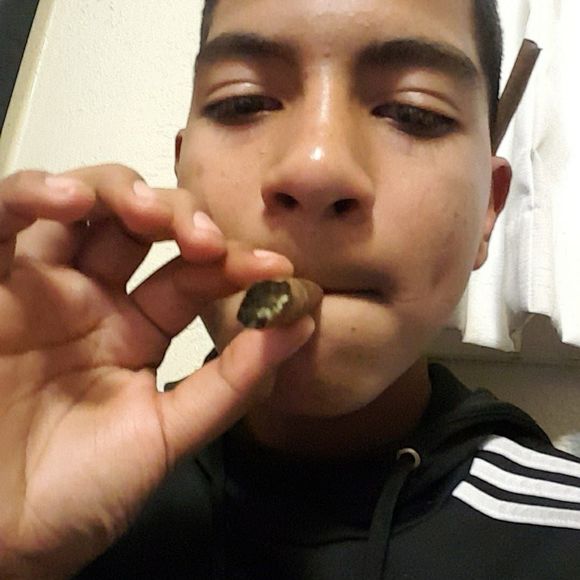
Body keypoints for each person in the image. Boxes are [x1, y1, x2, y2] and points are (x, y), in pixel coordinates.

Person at [1, 0, 579, 578]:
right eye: (243, 102)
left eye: (413, 112)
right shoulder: (61, 476)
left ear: (488, 210)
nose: (315, 168)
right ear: (180, 173)